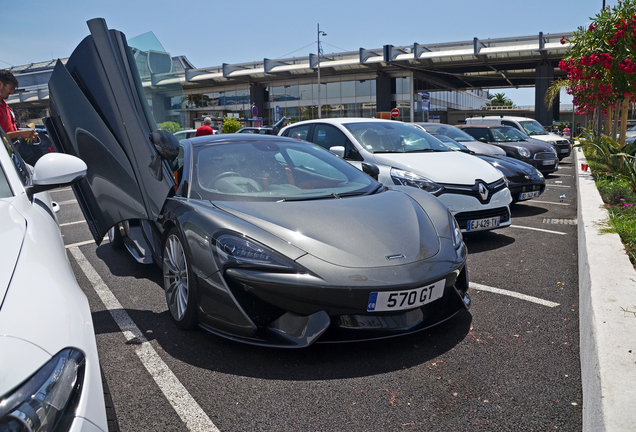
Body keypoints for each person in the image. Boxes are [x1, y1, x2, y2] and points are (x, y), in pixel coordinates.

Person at [0, 70, 38, 141]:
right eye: (11, 88)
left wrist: (27, 133)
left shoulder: (5, 106)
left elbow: (8, 130)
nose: (12, 93)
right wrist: (20, 134)